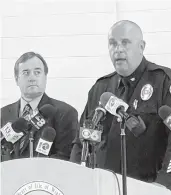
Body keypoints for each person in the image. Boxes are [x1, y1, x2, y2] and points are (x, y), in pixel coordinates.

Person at [70, 20, 171, 189]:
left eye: (125, 42)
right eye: (112, 43)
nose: (118, 49)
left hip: (149, 187)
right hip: (102, 187)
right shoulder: (100, 89)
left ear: (141, 46)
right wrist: (74, 179)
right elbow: (81, 141)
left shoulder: (163, 82)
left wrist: (164, 184)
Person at [1, 51, 78, 161]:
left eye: (37, 72)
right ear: (16, 79)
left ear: (45, 77)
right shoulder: (3, 114)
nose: (32, 78)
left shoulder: (66, 113)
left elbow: (66, 158)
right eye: (26, 73)